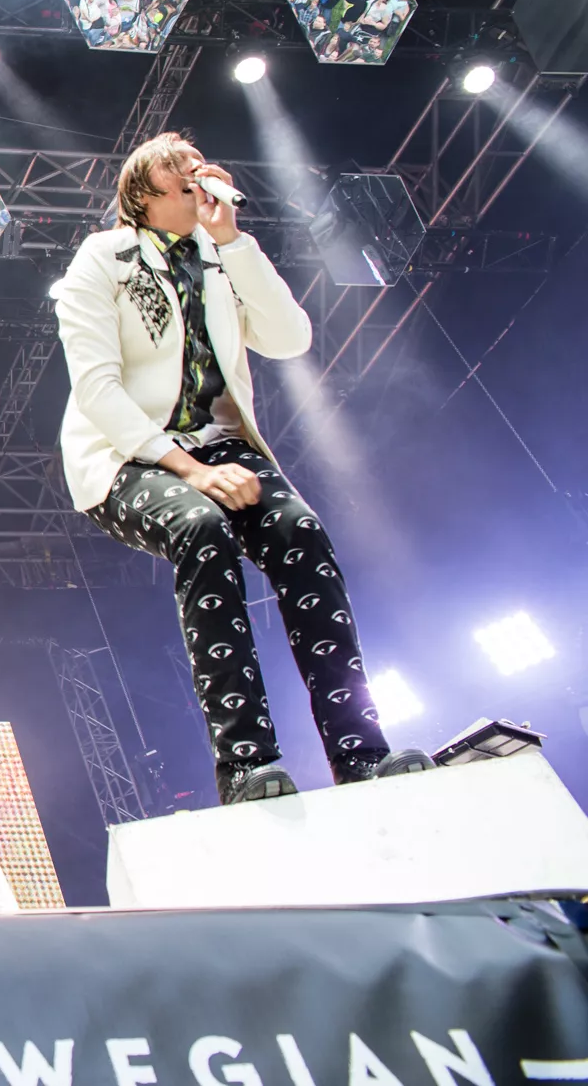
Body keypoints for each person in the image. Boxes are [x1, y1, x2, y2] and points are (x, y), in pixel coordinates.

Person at [51, 133, 434, 806]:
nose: (196, 175)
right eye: (179, 170)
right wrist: (188, 470)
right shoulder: (103, 258)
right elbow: (98, 390)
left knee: (301, 535)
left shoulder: (221, 254)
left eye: (199, 165)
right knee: (201, 527)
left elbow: (290, 338)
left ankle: (360, 753)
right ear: (143, 194)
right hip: (126, 453)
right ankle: (245, 765)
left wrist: (232, 240)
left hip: (224, 445)